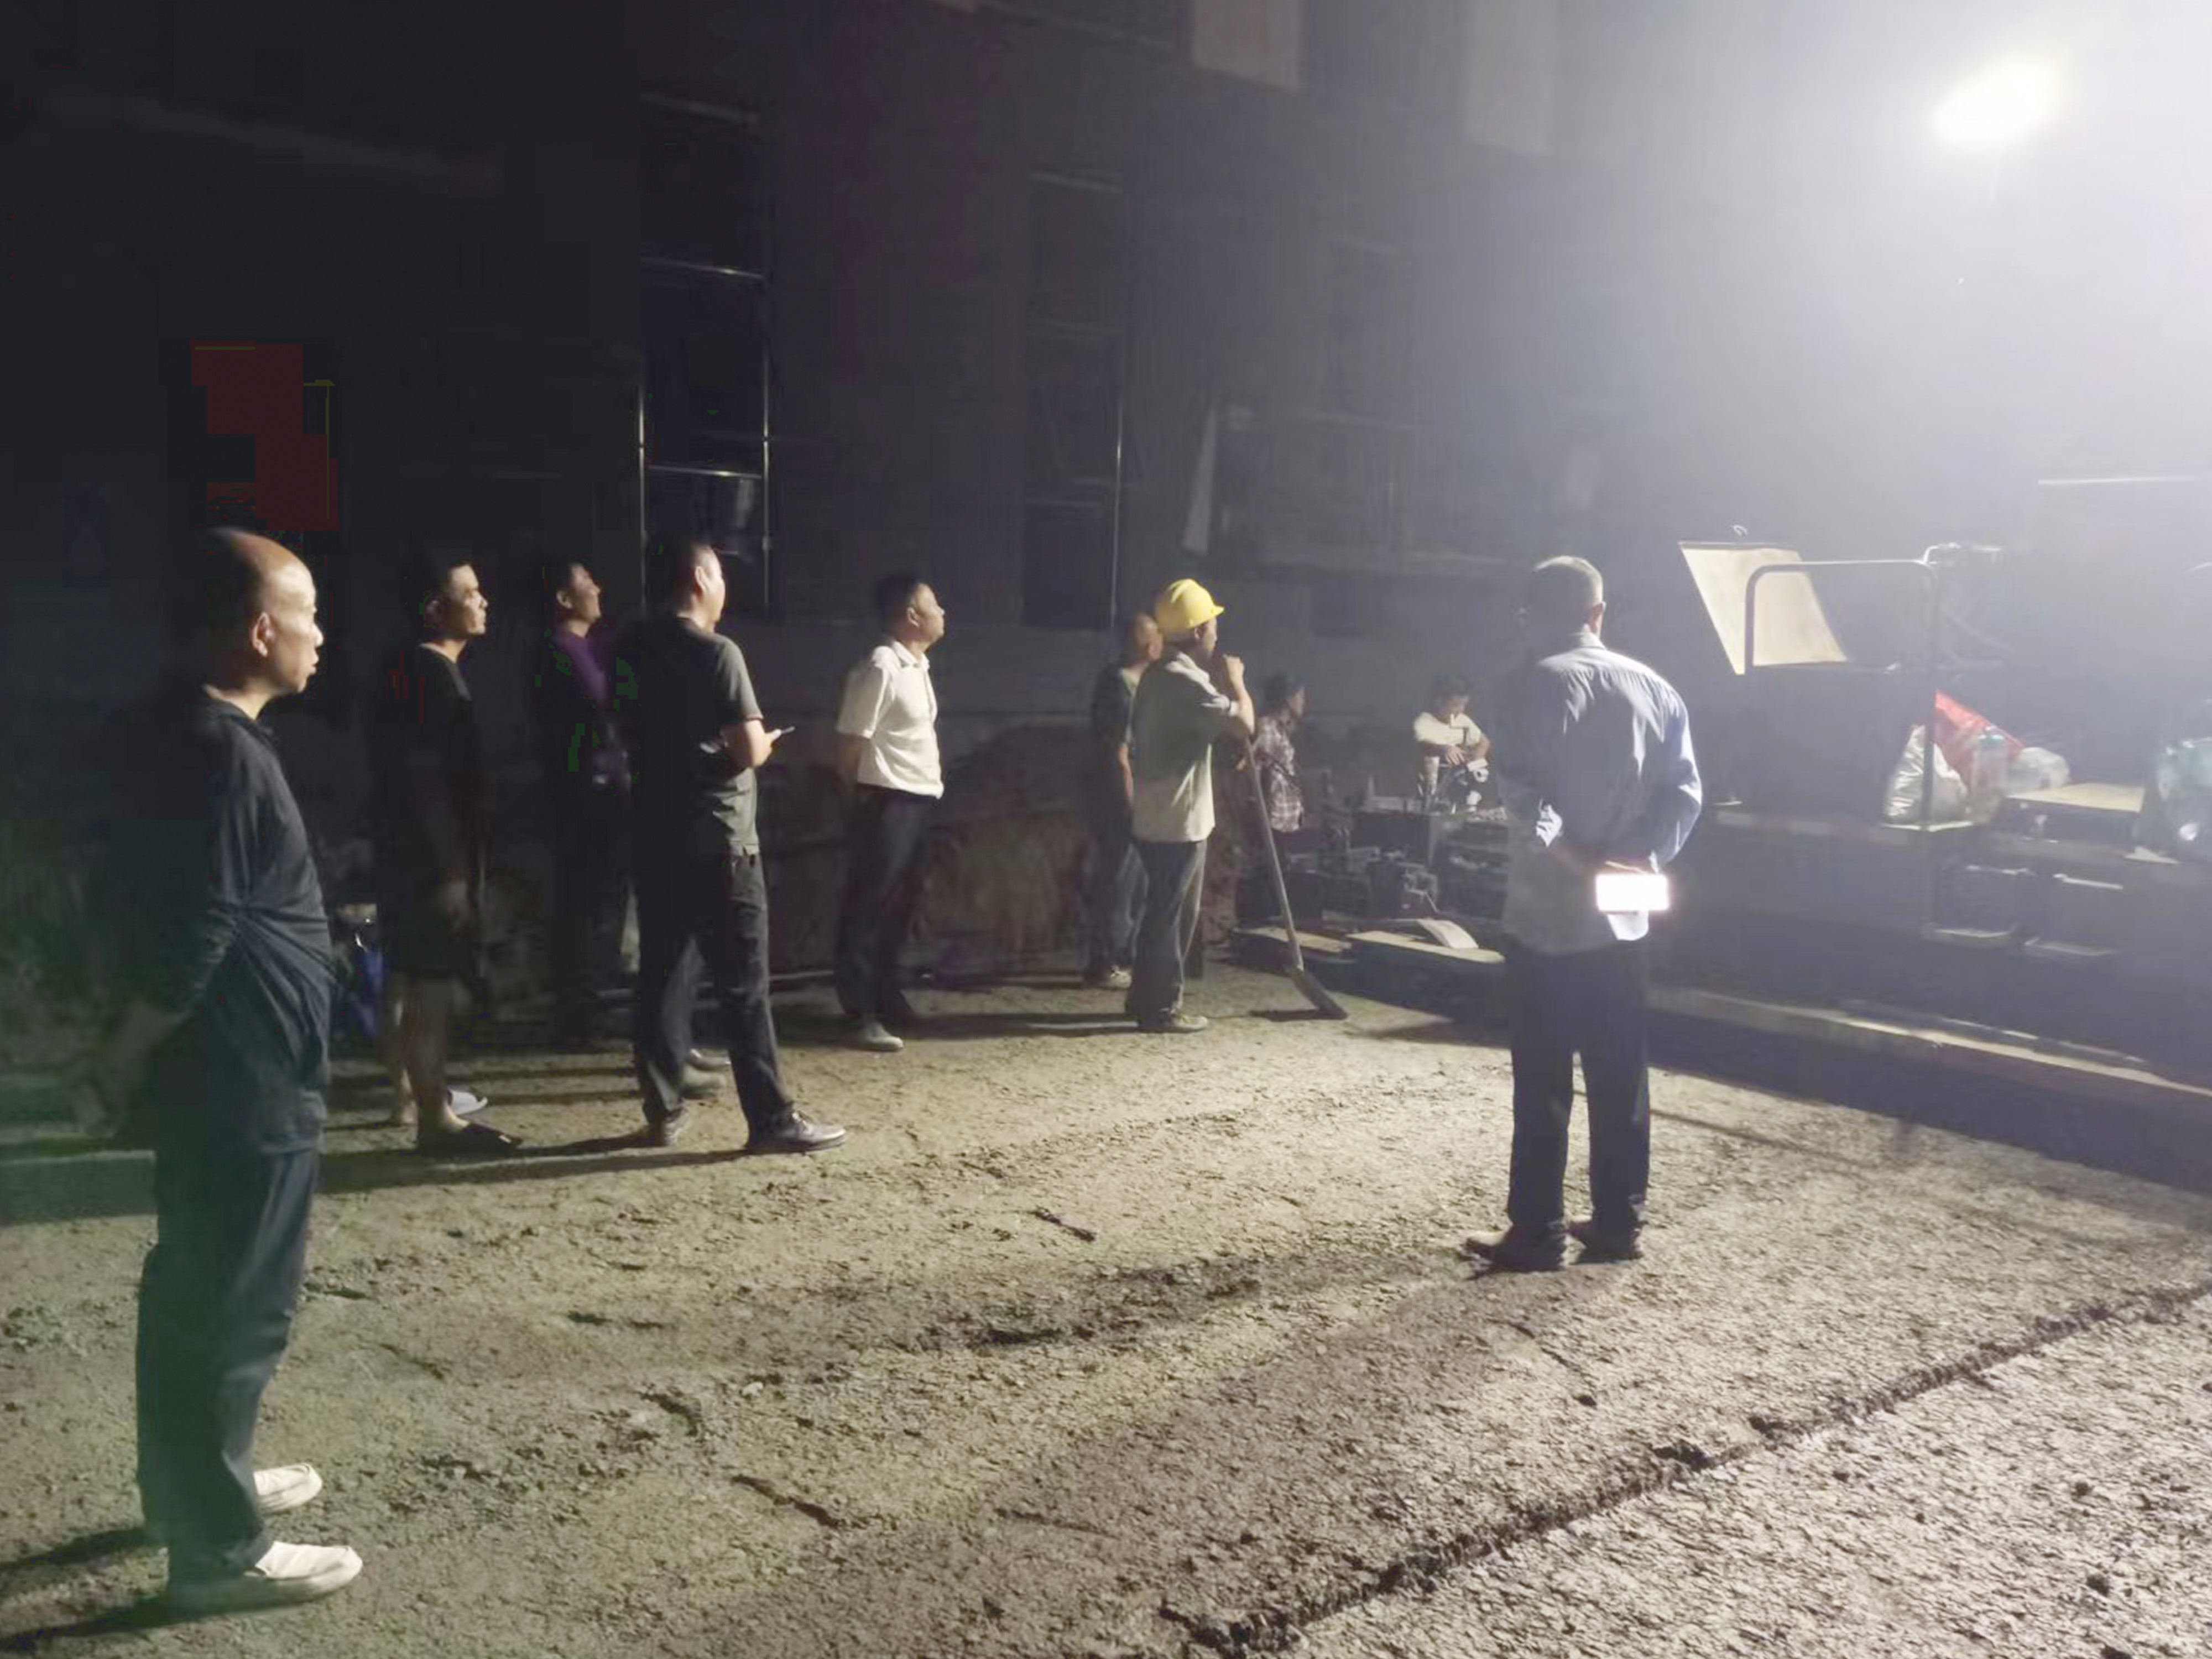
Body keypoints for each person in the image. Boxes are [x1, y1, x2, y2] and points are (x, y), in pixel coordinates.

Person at [86, 528, 362, 1611]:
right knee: (236, 1302)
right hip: (246, 1075)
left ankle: (195, 1486)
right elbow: (196, 930)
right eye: (308, 613)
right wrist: (120, 1055)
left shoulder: (176, 732)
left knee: (195, 1284)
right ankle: (217, 1550)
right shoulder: (223, 751)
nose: (320, 635)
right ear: (259, 630)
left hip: (223, 1069)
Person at [1464, 557, 1702, 1272]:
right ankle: (1619, 1222)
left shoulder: (1525, 688)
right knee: (1620, 1069)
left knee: (1543, 1076)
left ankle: (1536, 1231)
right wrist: (1632, 859)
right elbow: (1684, 795)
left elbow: (1528, 803)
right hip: (1624, 912)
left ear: (1530, 616)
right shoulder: (1656, 688)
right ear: (1598, 612)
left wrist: (1581, 863)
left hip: (1547, 911)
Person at [613, 534, 844, 1152]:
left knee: (661, 977)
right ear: (698, 579)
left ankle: (662, 1111)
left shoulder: (630, 649)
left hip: (655, 836)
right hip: (720, 841)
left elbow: (630, 735)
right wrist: (764, 743)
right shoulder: (718, 653)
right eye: (719, 577)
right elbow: (746, 748)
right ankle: (771, 1119)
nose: (724, 589)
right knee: (744, 986)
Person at [367, 552, 520, 1154]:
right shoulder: (432, 678)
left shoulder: (403, 671)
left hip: (405, 854)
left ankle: (411, 1097)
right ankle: (436, 1117)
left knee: (405, 981)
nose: (483, 601)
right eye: (470, 592)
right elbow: (427, 780)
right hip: (429, 861)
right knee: (430, 987)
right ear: (435, 608)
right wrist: (453, 870)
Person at [1125, 578, 1254, 1034]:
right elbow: (1243, 724)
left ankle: (1144, 997)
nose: (1217, 633)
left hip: (1158, 813)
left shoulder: (1160, 676)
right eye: (1213, 624)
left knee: (1161, 911)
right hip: (1178, 820)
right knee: (1173, 916)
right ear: (1199, 631)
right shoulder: (1185, 681)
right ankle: (1161, 1007)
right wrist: (1237, 683)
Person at [832, 572, 948, 1053]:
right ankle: (858, 1010)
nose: (944, 612)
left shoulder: (917, 666)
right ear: (913, 615)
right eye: (935, 604)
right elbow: (850, 741)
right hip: (886, 800)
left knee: (901, 905)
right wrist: (857, 800)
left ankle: (886, 994)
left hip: (918, 799)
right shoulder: (881, 665)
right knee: (869, 906)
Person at [524, 556, 628, 1046]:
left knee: (595, 903)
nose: (598, 588)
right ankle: (578, 1014)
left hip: (597, 795)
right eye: (587, 582)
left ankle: (588, 1008)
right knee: (583, 903)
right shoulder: (559, 652)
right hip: (583, 798)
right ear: (564, 599)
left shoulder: (583, 649)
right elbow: (594, 720)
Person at [1082, 611, 1162, 989]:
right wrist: (1130, 802)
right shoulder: (1118, 687)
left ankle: (1122, 955)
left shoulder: (1139, 683)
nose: (1161, 642)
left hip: (1136, 791)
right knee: (1119, 876)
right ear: (1147, 645)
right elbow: (1119, 753)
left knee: (1135, 878)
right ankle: (1105, 962)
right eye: (1156, 636)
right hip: (1118, 794)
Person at [1413, 672, 1489, 807]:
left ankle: (1471, 800)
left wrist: (1476, 762)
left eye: (1464, 705)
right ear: (1439, 701)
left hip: (1460, 781)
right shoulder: (1424, 721)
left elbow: (1484, 742)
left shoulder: (1463, 721)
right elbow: (1423, 744)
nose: (1460, 710)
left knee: (1480, 774)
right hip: (1433, 782)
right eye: (1455, 705)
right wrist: (1444, 749)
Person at [1253, 672, 1306, 836]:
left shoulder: (1280, 729)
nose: (1303, 703)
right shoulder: (1267, 728)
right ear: (1289, 699)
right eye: (1300, 697)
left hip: (1285, 823)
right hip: (1273, 825)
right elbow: (1255, 773)